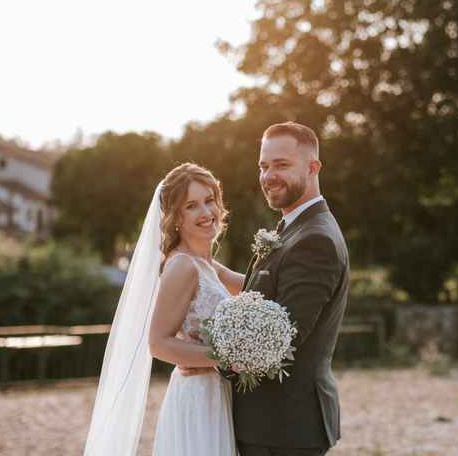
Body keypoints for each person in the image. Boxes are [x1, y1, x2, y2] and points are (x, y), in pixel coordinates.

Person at [83, 163, 244, 456]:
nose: (207, 213)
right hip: (199, 396)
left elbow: (253, 289)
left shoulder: (205, 264)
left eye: (209, 201)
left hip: (218, 392)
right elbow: (158, 344)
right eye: (192, 206)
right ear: (176, 218)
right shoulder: (182, 265)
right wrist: (227, 358)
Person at [232, 122, 350, 456]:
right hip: (274, 424)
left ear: (313, 167)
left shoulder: (316, 239)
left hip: (283, 428)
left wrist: (205, 356)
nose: (269, 175)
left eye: (281, 165)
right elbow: (264, 288)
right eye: (263, 166)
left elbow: (282, 335)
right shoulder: (295, 227)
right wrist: (202, 267)